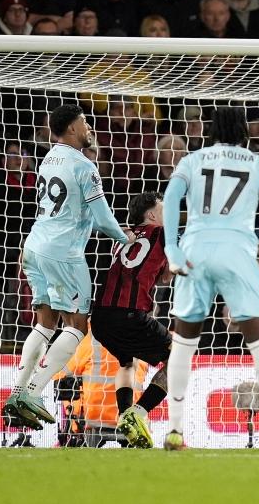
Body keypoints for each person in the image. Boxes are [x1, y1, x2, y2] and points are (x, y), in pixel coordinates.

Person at [161, 107, 259, 454]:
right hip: (237, 252)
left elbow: (170, 198)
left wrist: (172, 246)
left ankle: (176, 432)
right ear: (245, 131)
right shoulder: (256, 162)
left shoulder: (192, 160)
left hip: (195, 248)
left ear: (211, 131)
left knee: (183, 340)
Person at [2, 104, 134, 430]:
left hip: (34, 246)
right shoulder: (84, 165)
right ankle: (31, 393)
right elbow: (103, 219)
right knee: (77, 325)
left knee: (45, 322)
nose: (89, 127)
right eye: (86, 121)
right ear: (73, 128)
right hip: (64, 253)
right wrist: (125, 238)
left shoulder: (49, 158)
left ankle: (17, 391)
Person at [89, 192, 174, 449]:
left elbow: (156, 274)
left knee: (127, 363)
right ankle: (137, 413)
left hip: (101, 318)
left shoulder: (121, 235)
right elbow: (171, 274)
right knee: (179, 358)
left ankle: (125, 417)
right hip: (129, 314)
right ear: (151, 216)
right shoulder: (161, 233)